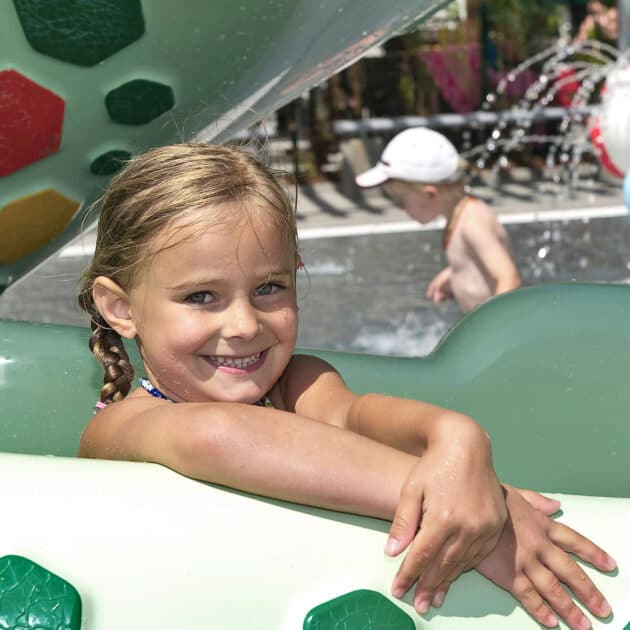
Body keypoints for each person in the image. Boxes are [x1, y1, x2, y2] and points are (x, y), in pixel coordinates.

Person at [77, 143, 614, 629]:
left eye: (269, 287)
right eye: (201, 297)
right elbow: (216, 436)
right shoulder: (121, 428)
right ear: (121, 307)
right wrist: (464, 510)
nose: (244, 325)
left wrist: (456, 439)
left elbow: (353, 415)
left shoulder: (294, 382)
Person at [355, 127, 522, 313]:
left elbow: (509, 277)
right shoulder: (457, 217)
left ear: (430, 194)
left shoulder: (473, 222)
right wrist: (455, 273)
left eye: (401, 200)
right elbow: (478, 263)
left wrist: (491, 332)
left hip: (494, 335)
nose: (400, 208)